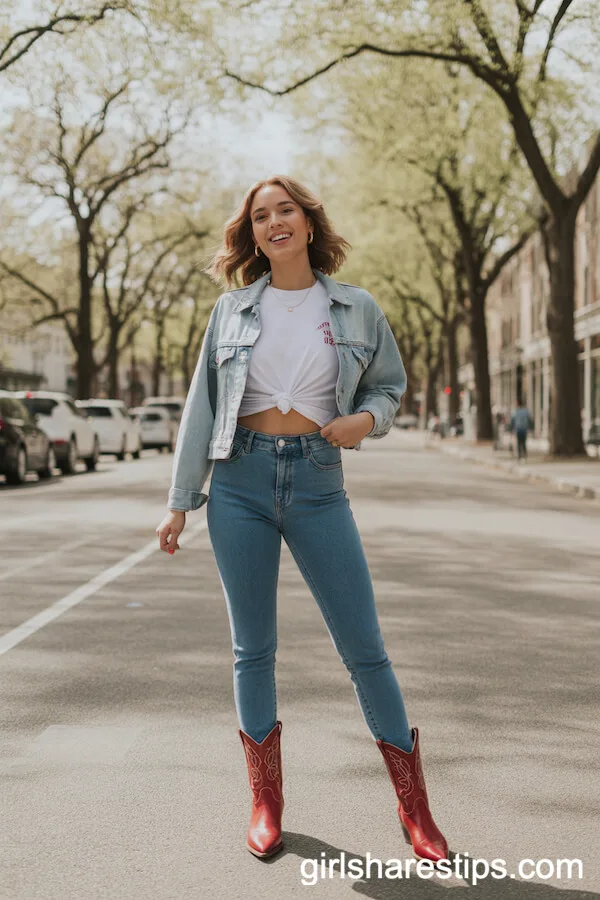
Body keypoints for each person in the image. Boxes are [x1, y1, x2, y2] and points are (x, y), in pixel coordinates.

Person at [155, 175, 448, 864]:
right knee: (252, 649)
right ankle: (265, 804)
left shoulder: (355, 307)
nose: (274, 221)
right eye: (261, 215)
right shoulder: (230, 310)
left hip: (318, 480)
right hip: (239, 483)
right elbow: (201, 406)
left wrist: (365, 420)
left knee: (365, 649)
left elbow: (390, 385)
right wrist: (179, 502)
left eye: (286, 209)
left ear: (308, 224)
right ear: (252, 234)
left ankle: (416, 811)